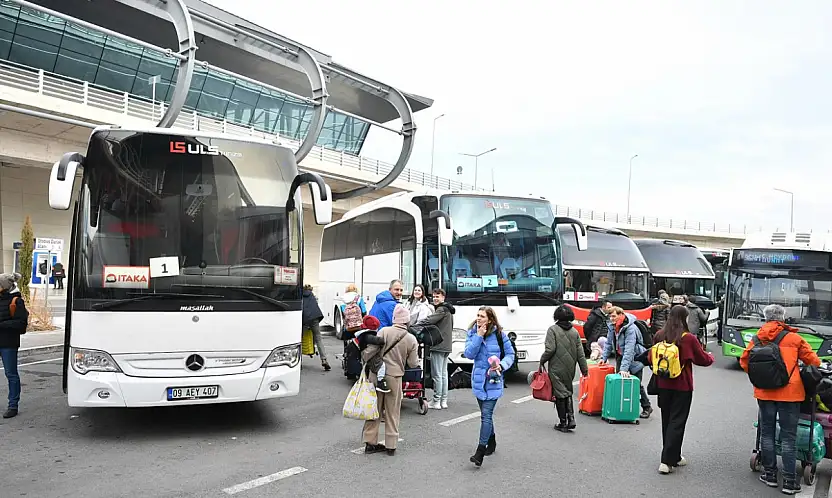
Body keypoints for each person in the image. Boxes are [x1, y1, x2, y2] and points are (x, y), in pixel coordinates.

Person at [740, 304, 820, 495]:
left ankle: (770, 476)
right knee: (788, 438)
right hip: (790, 394)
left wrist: (763, 378)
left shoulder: (758, 337)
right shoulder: (794, 338)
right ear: (783, 318)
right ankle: (790, 482)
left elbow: (745, 361)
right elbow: (814, 362)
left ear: (765, 318)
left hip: (765, 393)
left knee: (766, 434)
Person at [648, 305, 714, 475]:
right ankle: (666, 460)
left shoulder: (659, 335)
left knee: (667, 420)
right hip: (682, 385)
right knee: (678, 422)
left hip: (662, 384)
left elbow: (650, 357)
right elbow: (702, 359)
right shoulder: (688, 338)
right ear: (684, 318)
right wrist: (711, 356)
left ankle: (674, 456)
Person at [361, 304, 419, 456]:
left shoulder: (384, 331)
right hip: (394, 376)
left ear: (394, 318)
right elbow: (413, 364)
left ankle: (370, 442)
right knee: (392, 411)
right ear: (407, 321)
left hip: (376, 375)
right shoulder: (411, 338)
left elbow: (371, 351)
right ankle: (391, 445)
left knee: (374, 409)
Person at [464, 306, 515, 467]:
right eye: (478, 316)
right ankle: (491, 440)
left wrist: (502, 365)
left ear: (490, 319)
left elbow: (510, 354)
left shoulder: (500, 335)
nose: (478, 319)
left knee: (486, 415)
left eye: (482, 316)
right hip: (479, 380)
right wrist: (478, 337)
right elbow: (469, 354)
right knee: (486, 415)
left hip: (494, 380)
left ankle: (480, 451)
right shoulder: (472, 332)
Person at [540, 305, 588, 432]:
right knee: (567, 391)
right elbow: (581, 354)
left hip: (556, 367)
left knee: (560, 394)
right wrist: (585, 370)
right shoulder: (575, 332)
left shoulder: (553, 330)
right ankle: (571, 418)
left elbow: (550, 350)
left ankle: (563, 422)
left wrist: (542, 360)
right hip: (570, 367)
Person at [600, 306, 653, 419]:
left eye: (613, 316)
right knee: (621, 382)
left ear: (621, 315)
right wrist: (603, 358)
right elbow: (609, 343)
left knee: (635, 383)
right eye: (610, 316)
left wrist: (624, 369)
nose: (611, 319)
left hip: (636, 357)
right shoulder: (612, 326)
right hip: (621, 355)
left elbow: (629, 349)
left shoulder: (630, 328)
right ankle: (621, 407)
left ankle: (646, 406)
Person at [416, 288, 455, 410]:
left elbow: (430, 320)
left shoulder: (441, 309)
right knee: (443, 374)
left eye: (438, 296)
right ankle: (443, 400)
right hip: (447, 345)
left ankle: (437, 401)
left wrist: (416, 324)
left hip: (438, 345)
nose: (435, 298)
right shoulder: (449, 310)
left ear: (443, 297)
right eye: (434, 296)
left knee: (437, 375)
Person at [0, 272, 27, 418]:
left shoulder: (16, 301)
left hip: (8, 343)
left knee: (11, 374)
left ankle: (13, 405)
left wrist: (2, 325)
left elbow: (21, 325)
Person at [352, 315, 390, 393]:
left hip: (367, 355)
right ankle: (381, 381)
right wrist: (383, 340)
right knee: (381, 365)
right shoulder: (367, 335)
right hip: (370, 355)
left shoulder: (363, 334)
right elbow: (378, 340)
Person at [301, 285, 330, 371]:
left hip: (305, 319)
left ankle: (299, 361)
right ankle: (324, 359)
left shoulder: (300, 296)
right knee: (318, 339)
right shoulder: (312, 296)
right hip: (315, 318)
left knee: (299, 340)